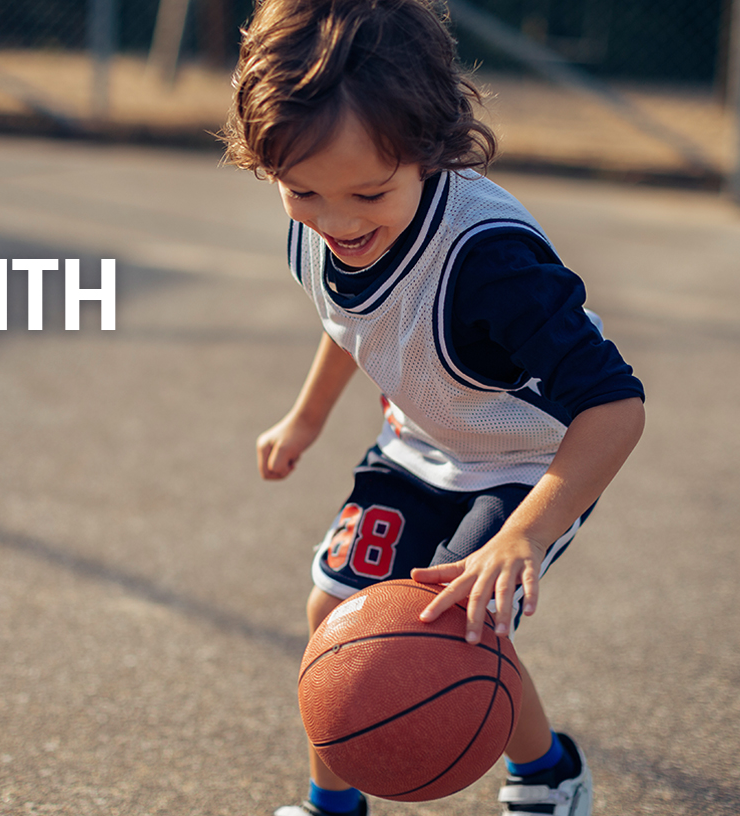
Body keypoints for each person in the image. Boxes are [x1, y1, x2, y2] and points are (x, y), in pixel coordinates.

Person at [220, 1, 646, 815]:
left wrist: (525, 533)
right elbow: (350, 321)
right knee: (334, 612)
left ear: (430, 148)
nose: (339, 221)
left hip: (525, 463)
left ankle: (548, 773)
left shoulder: (491, 265)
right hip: (417, 444)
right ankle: (331, 804)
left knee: (457, 632)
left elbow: (617, 408)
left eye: (369, 193)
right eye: (301, 189)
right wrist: (305, 420)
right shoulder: (319, 228)